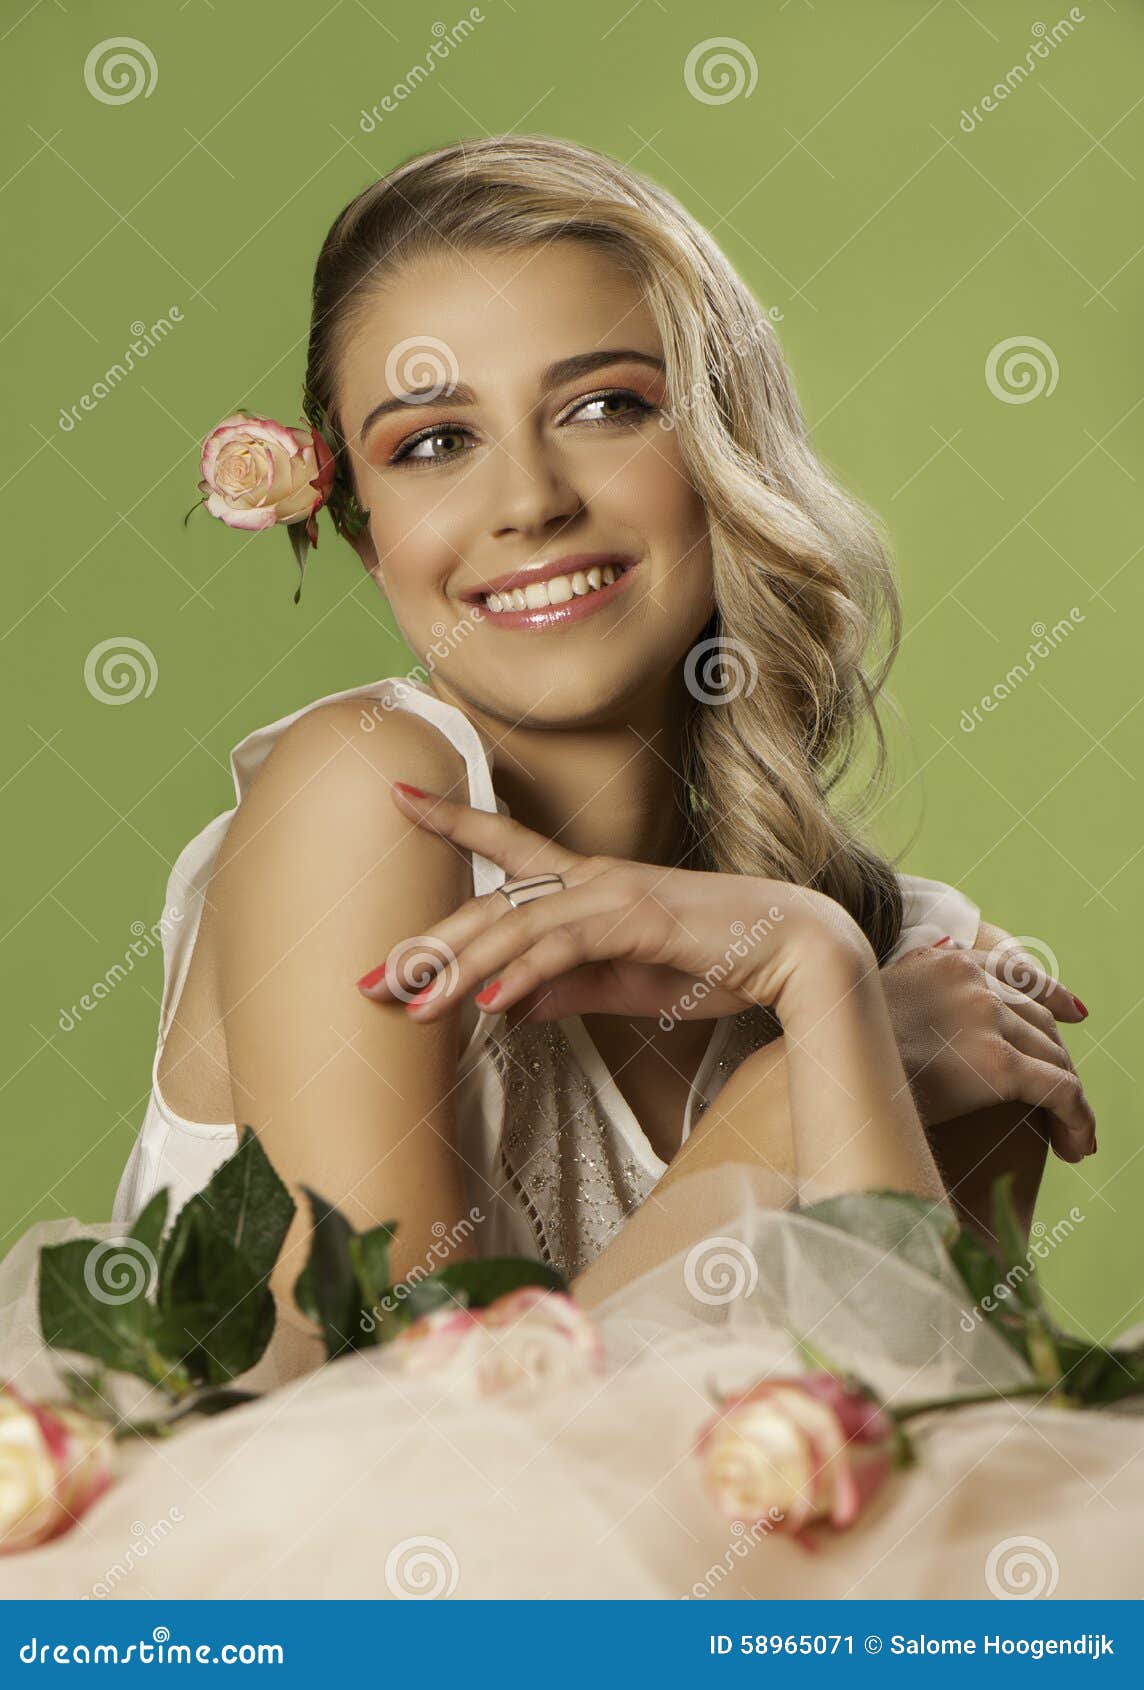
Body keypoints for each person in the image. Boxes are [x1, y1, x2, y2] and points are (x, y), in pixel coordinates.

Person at [109, 134, 1093, 1387]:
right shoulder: (363, 793)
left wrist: (821, 977)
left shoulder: (916, 981)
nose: (528, 501)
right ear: (364, 533)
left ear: (726, 451)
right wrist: (797, 1082)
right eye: (431, 443)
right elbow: (404, 1461)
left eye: (604, 408)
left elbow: (923, 1491)